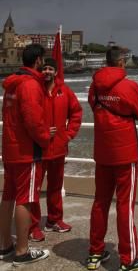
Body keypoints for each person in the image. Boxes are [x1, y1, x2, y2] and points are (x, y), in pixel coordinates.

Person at [87, 46, 138, 271]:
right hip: (124, 152)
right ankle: (128, 259)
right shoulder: (129, 86)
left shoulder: (94, 87)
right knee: (125, 205)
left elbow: (94, 106)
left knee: (100, 202)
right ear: (122, 62)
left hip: (103, 152)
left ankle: (95, 252)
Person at [0, 44, 52, 265]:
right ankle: (22, 251)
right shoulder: (30, 84)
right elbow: (32, 119)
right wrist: (45, 139)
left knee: (8, 196)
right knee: (26, 198)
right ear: (38, 60)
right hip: (26, 151)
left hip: (11, 148)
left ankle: (4, 245)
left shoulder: (12, 84)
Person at [29, 57, 83, 241]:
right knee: (34, 190)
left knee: (55, 187)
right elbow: (29, 118)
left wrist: (69, 134)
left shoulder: (65, 92)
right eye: (44, 69)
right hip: (38, 149)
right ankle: (32, 226)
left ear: (56, 72)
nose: (47, 72)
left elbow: (76, 112)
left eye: (50, 69)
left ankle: (54, 220)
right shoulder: (34, 91)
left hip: (59, 148)